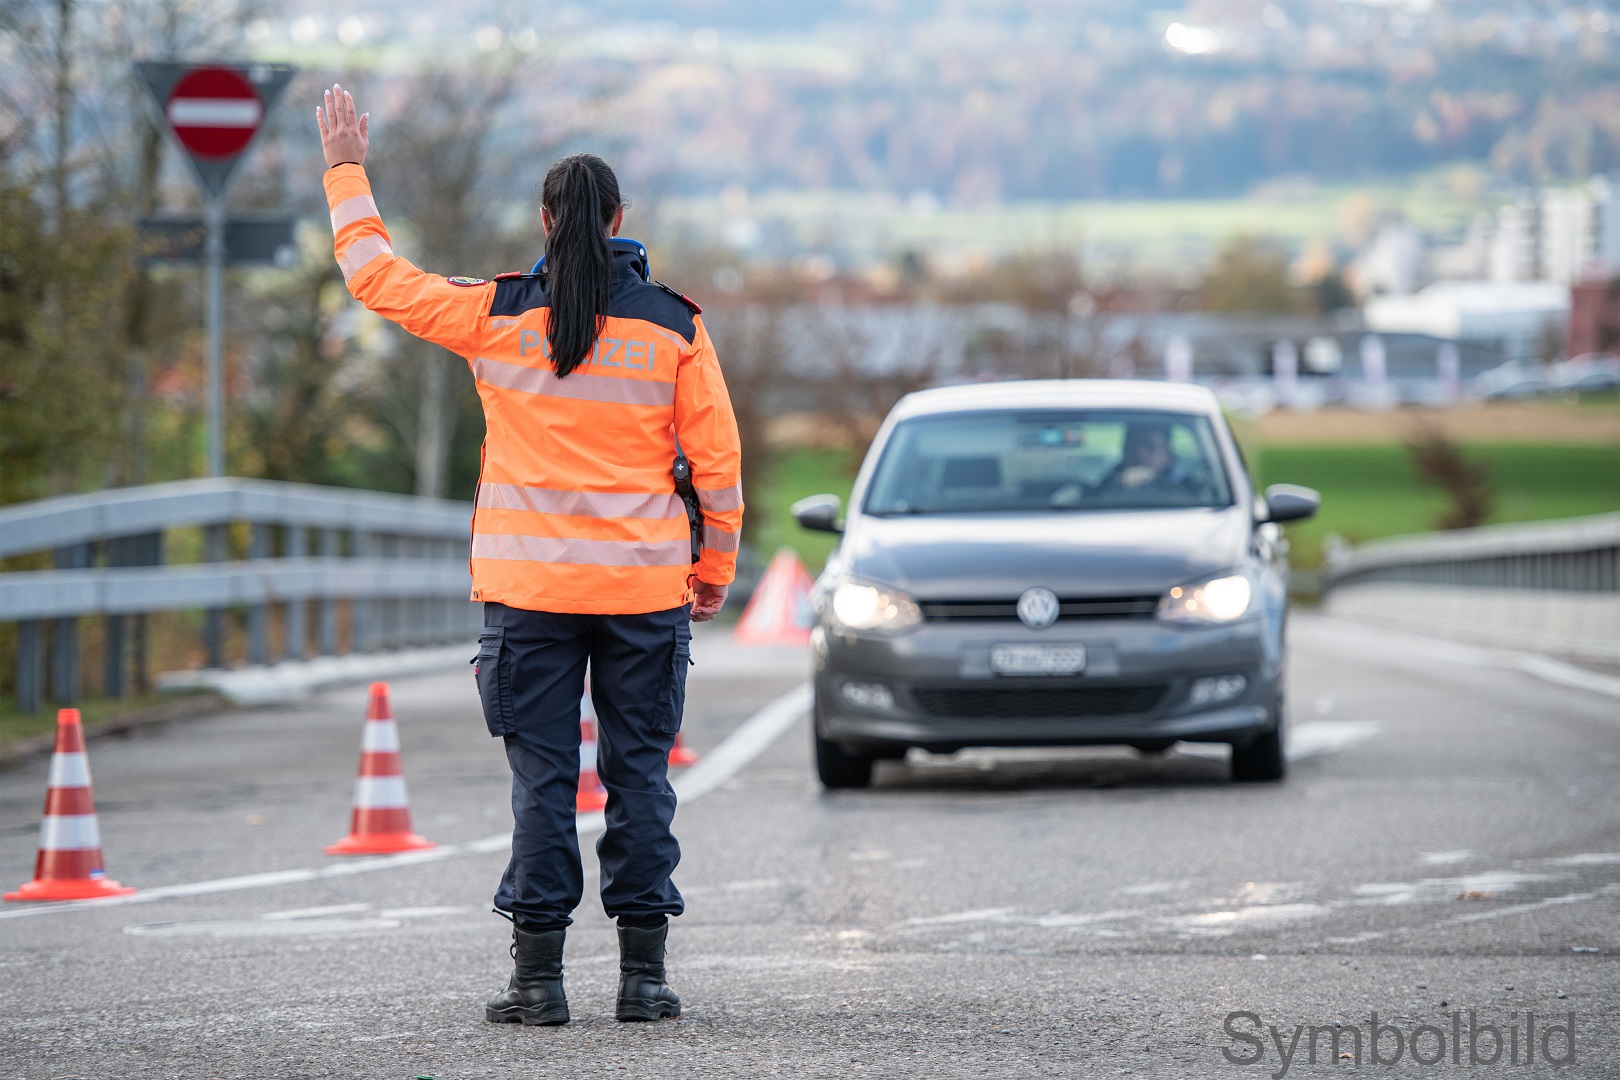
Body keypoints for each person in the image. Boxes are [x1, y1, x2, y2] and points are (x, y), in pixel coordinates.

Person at [316, 84, 743, 1025]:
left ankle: (537, 984)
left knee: (544, 781)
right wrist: (711, 575)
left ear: (545, 221)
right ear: (622, 220)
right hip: (641, 592)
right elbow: (718, 467)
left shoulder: (494, 315)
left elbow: (374, 276)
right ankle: (643, 981)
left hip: (528, 597)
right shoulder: (676, 327)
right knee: (640, 778)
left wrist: (346, 166)